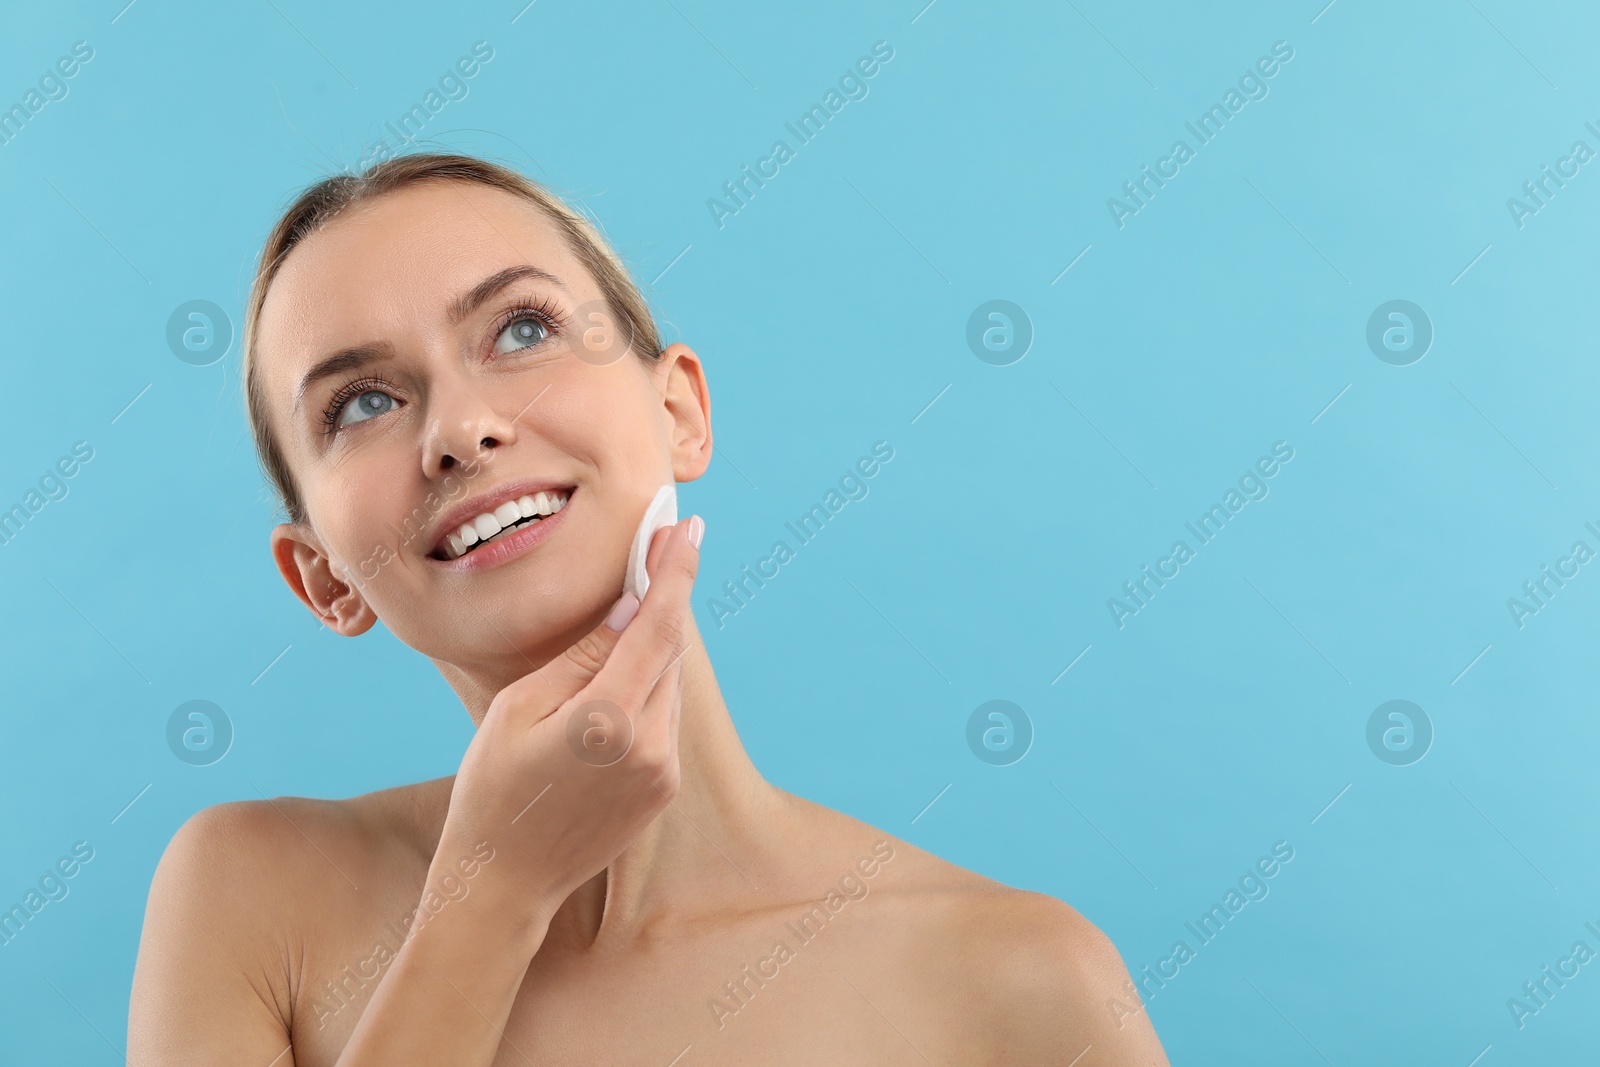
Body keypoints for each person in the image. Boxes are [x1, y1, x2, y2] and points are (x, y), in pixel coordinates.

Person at [126, 153, 1169, 1065]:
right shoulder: (247, 902)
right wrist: (491, 900)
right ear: (323, 579)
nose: (462, 427)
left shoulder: (1020, 978)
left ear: (680, 412)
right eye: (363, 402)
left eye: (521, 327)